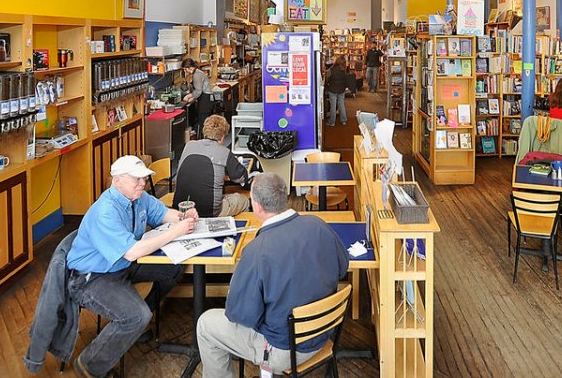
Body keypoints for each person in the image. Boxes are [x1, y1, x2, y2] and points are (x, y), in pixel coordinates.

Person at [197, 172, 349, 377]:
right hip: (323, 334)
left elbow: (239, 315)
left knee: (206, 325)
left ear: (256, 206)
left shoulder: (256, 251)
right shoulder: (318, 225)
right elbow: (342, 267)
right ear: (284, 197)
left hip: (283, 350)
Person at [66, 155, 198, 377]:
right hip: (92, 277)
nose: (142, 183)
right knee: (136, 315)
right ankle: (89, 365)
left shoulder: (139, 197)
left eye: (144, 178)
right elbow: (132, 251)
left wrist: (183, 217)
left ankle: (134, 326)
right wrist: (177, 231)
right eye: (136, 179)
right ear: (117, 181)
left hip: (121, 266)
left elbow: (164, 214)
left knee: (173, 268)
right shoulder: (106, 211)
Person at [173, 115, 250, 217]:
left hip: (182, 208)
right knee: (244, 201)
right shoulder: (224, 152)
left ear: (204, 132)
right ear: (222, 137)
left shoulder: (189, 145)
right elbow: (241, 177)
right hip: (209, 212)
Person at [182, 58, 213, 138]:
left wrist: (188, 96)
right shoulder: (197, 72)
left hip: (205, 100)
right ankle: (205, 139)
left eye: (185, 69)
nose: (186, 72)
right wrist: (192, 99)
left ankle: (204, 141)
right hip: (205, 99)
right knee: (204, 122)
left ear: (190, 67)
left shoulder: (197, 75)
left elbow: (198, 91)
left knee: (204, 122)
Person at [326, 56, 348, 126]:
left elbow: (327, 79)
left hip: (332, 89)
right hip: (341, 89)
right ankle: (343, 120)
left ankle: (332, 122)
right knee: (341, 104)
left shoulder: (331, 69)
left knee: (333, 106)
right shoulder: (344, 70)